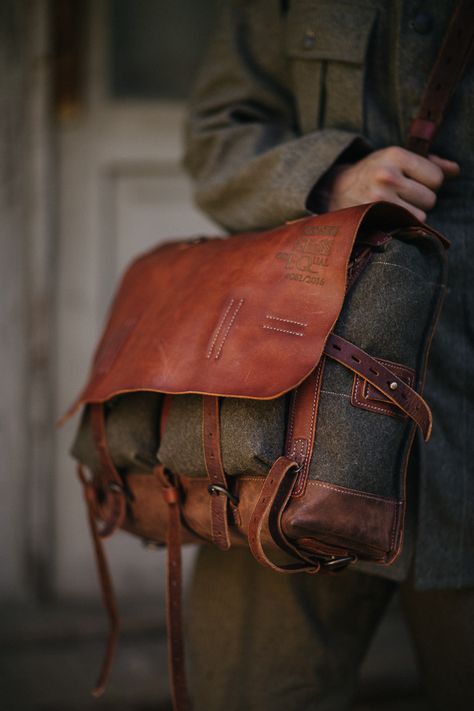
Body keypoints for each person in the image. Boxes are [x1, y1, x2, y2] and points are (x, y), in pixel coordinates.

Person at [183, 2, 474, 709]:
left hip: (465, 414)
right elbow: (218, 135)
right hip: (295, 417)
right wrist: (329, 180)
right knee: (251, 688)